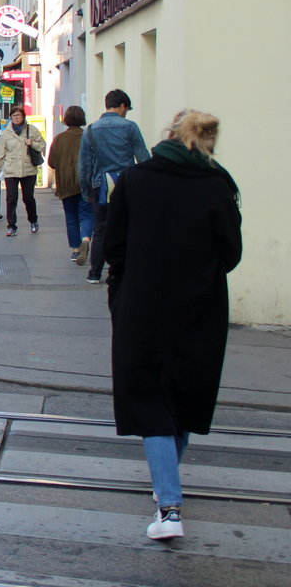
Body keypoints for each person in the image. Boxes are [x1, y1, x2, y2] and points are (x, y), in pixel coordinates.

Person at [105, 109, 242, 542]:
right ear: (207, 143)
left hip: (142, 304)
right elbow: (231, 253)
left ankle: (169, 506)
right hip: (199, 305)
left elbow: (114, 245)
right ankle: (168, 489)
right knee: (184, 394)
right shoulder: (219, 185)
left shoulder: (135, 179)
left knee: (149, 399)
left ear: (168, 134)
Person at [79, 89, 150, 284]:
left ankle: (94, 272)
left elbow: (84, 165)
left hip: (99, 185)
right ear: (122, 106)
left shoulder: (91, 130)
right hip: (126, 184)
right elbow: (143, 158)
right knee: (126, 227)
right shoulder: (130, 127)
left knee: (100, 229)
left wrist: (86, 190)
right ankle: (119, 271)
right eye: (126, 109)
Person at [48, 105, 93, 264]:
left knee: (71, 216)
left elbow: (52, 162)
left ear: (66, 119)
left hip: (66, 184)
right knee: (86, 214)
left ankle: (75, 250)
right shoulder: (88, 136)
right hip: (85, 182)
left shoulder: (59, 139)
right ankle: (86, 240)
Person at [0, 105, 46, 236]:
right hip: (11, 169)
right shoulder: (6, 133)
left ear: (23, 117)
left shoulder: (31, 130)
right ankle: (11, 226)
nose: (16, 118)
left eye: (18, 115)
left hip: (28, 169)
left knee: (28, 198)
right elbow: (0, 153)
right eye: (13, 115)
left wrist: (32, 143)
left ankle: (33, 220)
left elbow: (42, 145)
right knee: (11, 199)